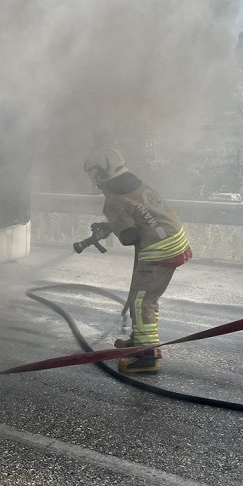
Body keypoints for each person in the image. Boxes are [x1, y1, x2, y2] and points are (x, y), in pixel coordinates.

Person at [84, 148, 192, 374]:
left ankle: (147, 357)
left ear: (99, 176)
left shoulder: (114, 199)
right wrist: (112, 225)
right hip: (174, 240)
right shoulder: (138, 185)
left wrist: (112, 225)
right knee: (142, 297)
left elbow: (129, 236)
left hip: (158, 251)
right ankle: (139, 340)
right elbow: (141, 218)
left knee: (142, 301)